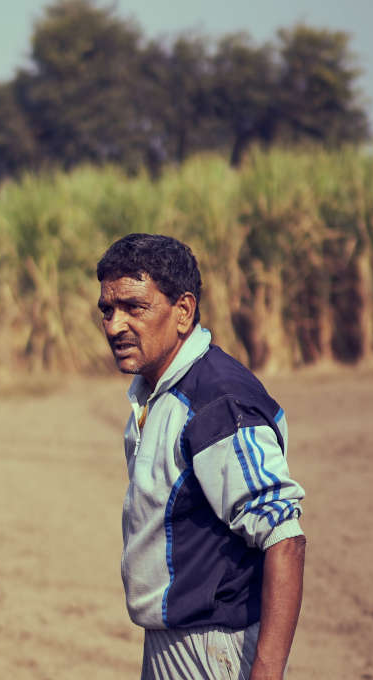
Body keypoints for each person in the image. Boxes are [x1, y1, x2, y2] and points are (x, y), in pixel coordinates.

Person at [96, 233, 306, 680]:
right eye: (108, 310)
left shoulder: (217, 403)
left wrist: (266, 675)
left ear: (183, 311)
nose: (114, 326)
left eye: (135, 307)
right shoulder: (159, 390)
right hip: (174, 643)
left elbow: (285, 540)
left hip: (212, 649)